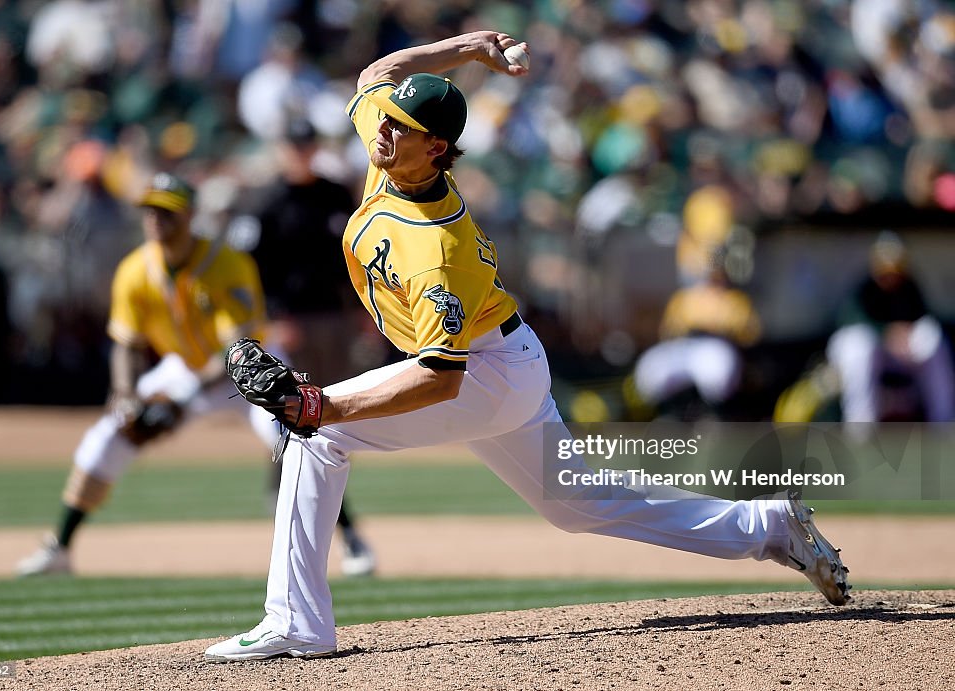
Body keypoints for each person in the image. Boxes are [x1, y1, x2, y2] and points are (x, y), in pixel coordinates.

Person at [203, 31, 850, 663]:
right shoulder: (390, 153)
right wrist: (466, 50)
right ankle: (768, 526)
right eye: (387, 120)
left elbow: (438, 379)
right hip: (506, 358)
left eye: (399, 126)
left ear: (434, 148)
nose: (381, 130)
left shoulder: (438, 248)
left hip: (482, 374)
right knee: (578, 501)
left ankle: (295, 620)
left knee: (320, 436)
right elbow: (376, 73)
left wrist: (319, 405)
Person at [15, 173, 330, 576]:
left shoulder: (225, 263)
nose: (156, 220)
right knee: (107, 435)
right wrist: (125, 393)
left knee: (297, 437)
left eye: (167, 211)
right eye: (150, 211)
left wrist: (182, 401)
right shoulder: (134, 270)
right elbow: (126, 344)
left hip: (252, 365)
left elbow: (235, 351)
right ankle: (59, 546)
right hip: (185, 367)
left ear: (189, 215)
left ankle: (352, 540)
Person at [248, 117, 377, 576]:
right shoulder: (269, 203)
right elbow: (257, 269)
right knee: (302, 413)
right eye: (294, 144)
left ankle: (306, 485)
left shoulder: (334, 194)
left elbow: (355, 255)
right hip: (294, 323)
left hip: (336, 319)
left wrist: (366, 310)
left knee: (335, 413)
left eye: (307, 144)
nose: (301, 152)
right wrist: (275, 319)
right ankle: (292, 487)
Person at [827, 231, 954, 429]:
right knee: (861, 346)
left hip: (896, 355)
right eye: (885, 268)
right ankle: (861, 427)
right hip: (861, 353)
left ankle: (944, 423)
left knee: (935, 341)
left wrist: (906, 335)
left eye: (895, 268)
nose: (890, 275)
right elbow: (849, 321)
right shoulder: (865, 288)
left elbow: (924, 319)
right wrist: (886, 332)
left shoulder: (909, 287)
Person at [632, 248, 761, 420]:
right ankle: (667, 413)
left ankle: (712, 416)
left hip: (716, 344)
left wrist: (723, 325)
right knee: (653, 368)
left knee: (715, 371)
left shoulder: (734, 299)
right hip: (685, 345)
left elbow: (749, 334)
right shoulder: (685, 297)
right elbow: (669, 330)